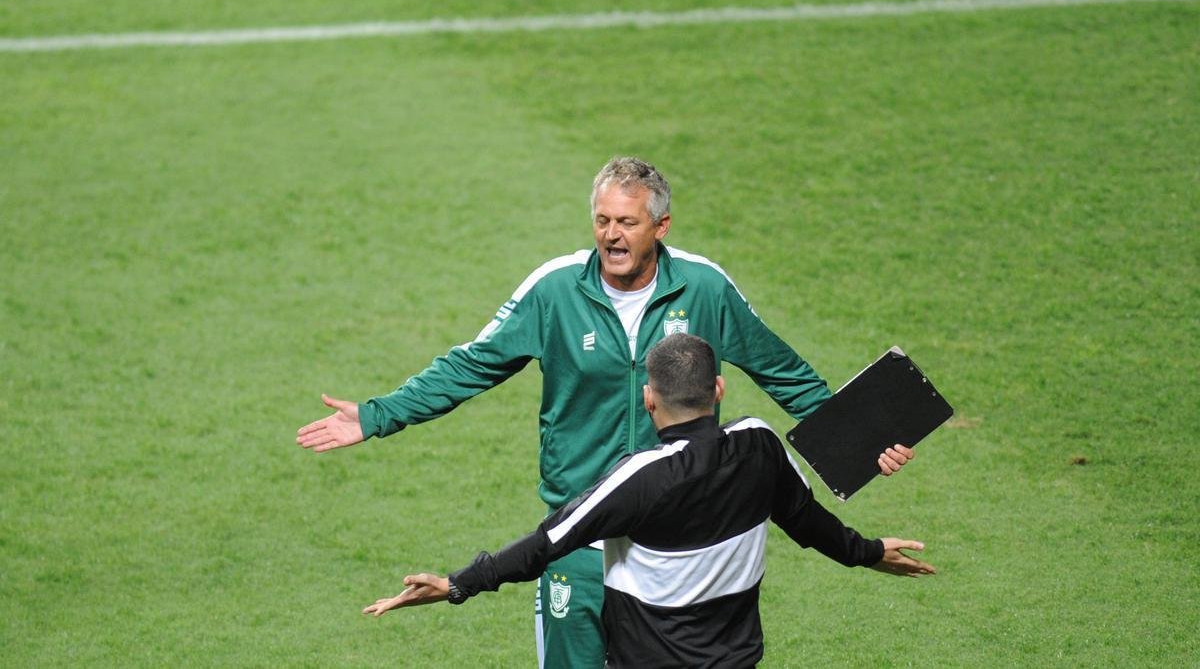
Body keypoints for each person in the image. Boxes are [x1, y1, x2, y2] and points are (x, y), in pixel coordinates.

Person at [297, 157, 914, 667]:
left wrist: (863, 441)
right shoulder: (554, 289)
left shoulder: (704, 287)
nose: (611, 236)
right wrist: (377, 415)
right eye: (601, 221)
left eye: (626, 222)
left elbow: (785, 372)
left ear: (661, 226)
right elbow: (469, 366)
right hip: (579, 538)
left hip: (667, 548)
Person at [361, 334, 935, 668]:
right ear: (717, 389)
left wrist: (457, 584)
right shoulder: (761, 443)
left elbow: (546, 543)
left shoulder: (638, 477)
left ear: (647, 399)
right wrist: (868, 551)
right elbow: (807, 523)